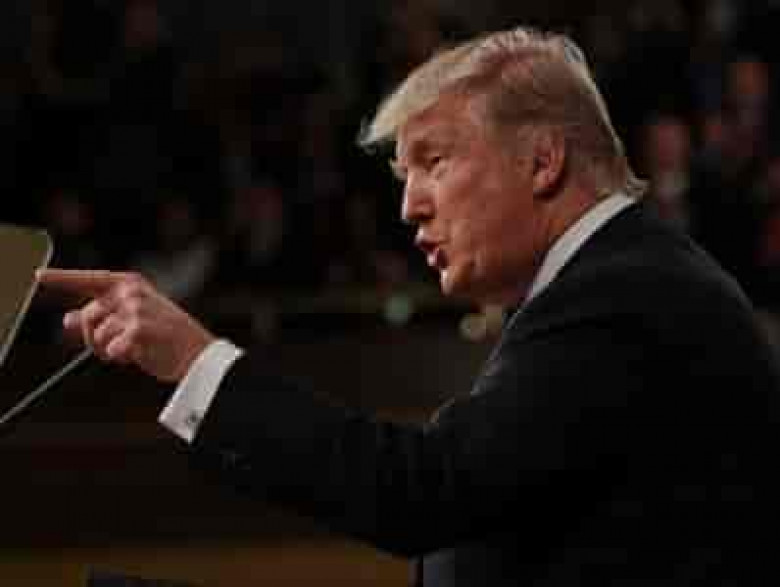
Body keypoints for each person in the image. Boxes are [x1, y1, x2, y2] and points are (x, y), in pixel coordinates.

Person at [37, 27, 780, 586]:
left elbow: (423, 492)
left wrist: (194, 361)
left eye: (435, 160)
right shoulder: (615, 278)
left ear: (543, 159)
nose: (409, 205)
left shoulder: (626, 293)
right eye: (402, 175)